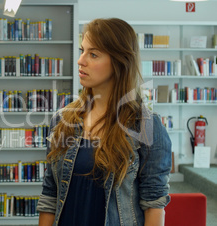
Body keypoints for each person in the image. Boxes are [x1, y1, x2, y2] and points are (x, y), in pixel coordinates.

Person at [37, 18, 172, 226]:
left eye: (93, 54)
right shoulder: (62, 120)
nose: (81, 61)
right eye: (82, 50)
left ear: (119, 62)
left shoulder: (146, 126)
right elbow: (50, 195)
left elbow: (154, 205)